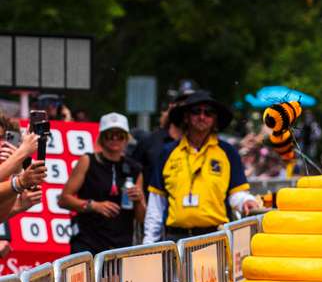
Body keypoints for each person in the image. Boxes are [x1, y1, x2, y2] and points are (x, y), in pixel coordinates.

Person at [144, 90, 261, 242]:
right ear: (186, 117)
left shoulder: (227, 152)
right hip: (175, 239)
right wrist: (148, 243)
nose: (202, 116)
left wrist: (246, 200)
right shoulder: (168, 152)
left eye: (208, 113)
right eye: (196, 111)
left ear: (215, 119)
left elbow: (236, 194)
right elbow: (156, 204)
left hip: (215, 237)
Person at [58, 113, 145, 254]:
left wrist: (139, 199)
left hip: (121, 243)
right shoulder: (88, 161)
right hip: (88, 241)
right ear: (102, 138)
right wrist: (93, 205)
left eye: (120, 135)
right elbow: (64, 199)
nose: (115, 139)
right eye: (110, 135)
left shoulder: (135, 168)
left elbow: (140, 218)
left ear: (126, 139)